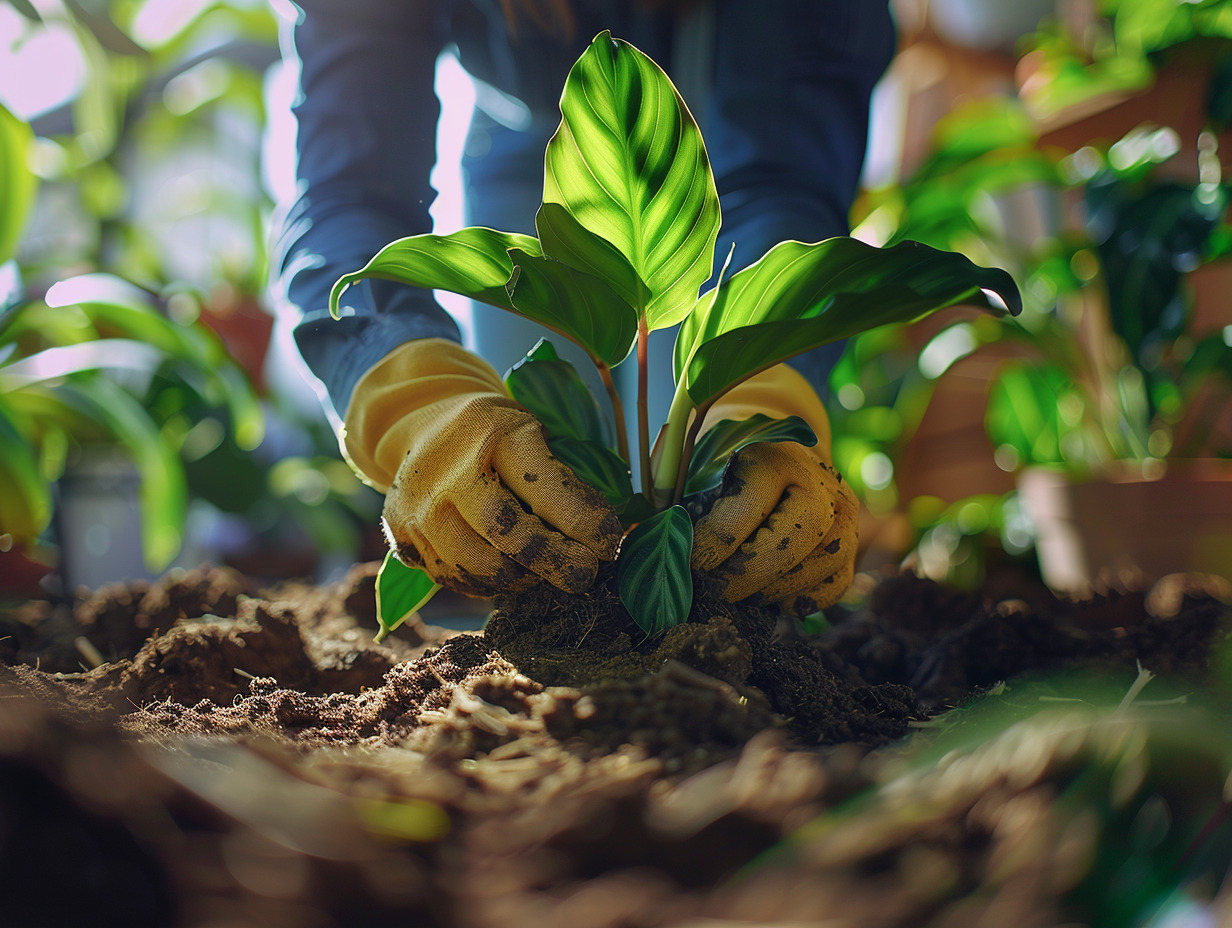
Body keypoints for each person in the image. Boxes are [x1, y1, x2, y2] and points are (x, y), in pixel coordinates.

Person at [271, 0, 896, 614]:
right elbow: (350, 186)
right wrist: (417, 400)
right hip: (528, 138)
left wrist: (761, 394)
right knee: (532, 503)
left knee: (711, 502)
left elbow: (780, 176)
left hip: (734, 181)